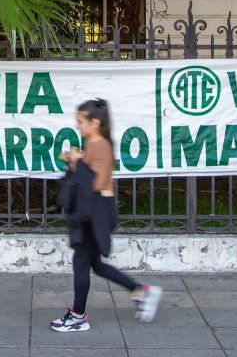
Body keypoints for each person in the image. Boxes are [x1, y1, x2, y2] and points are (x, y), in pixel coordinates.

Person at [50, 98, 163, 333]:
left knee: (81, 262)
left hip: (98, 210)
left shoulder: (100, 146)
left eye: (80, 122)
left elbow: (97, 182)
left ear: (94, 122)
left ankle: (78, 316)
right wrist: (76, 160)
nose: (77, 126)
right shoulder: (93, 144)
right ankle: (141, 292)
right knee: (95, 264)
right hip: (95, 208)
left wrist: (77, 162)